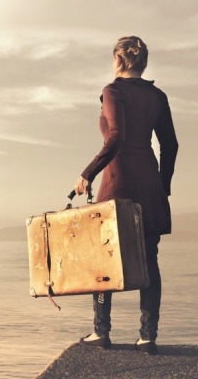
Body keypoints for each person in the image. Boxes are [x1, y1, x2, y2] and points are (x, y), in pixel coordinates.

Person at [72, 36, 178, 355]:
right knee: (150, 260)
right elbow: (170, 145)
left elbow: (116, 136)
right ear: (143, 62)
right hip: (149, 184)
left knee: (104, 259)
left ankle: (101, 332)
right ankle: (147, 337)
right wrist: (163, 185)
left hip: (118, 183)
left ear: (117, 61)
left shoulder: (112, 91)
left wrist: (87, 173)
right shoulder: (157, 96)